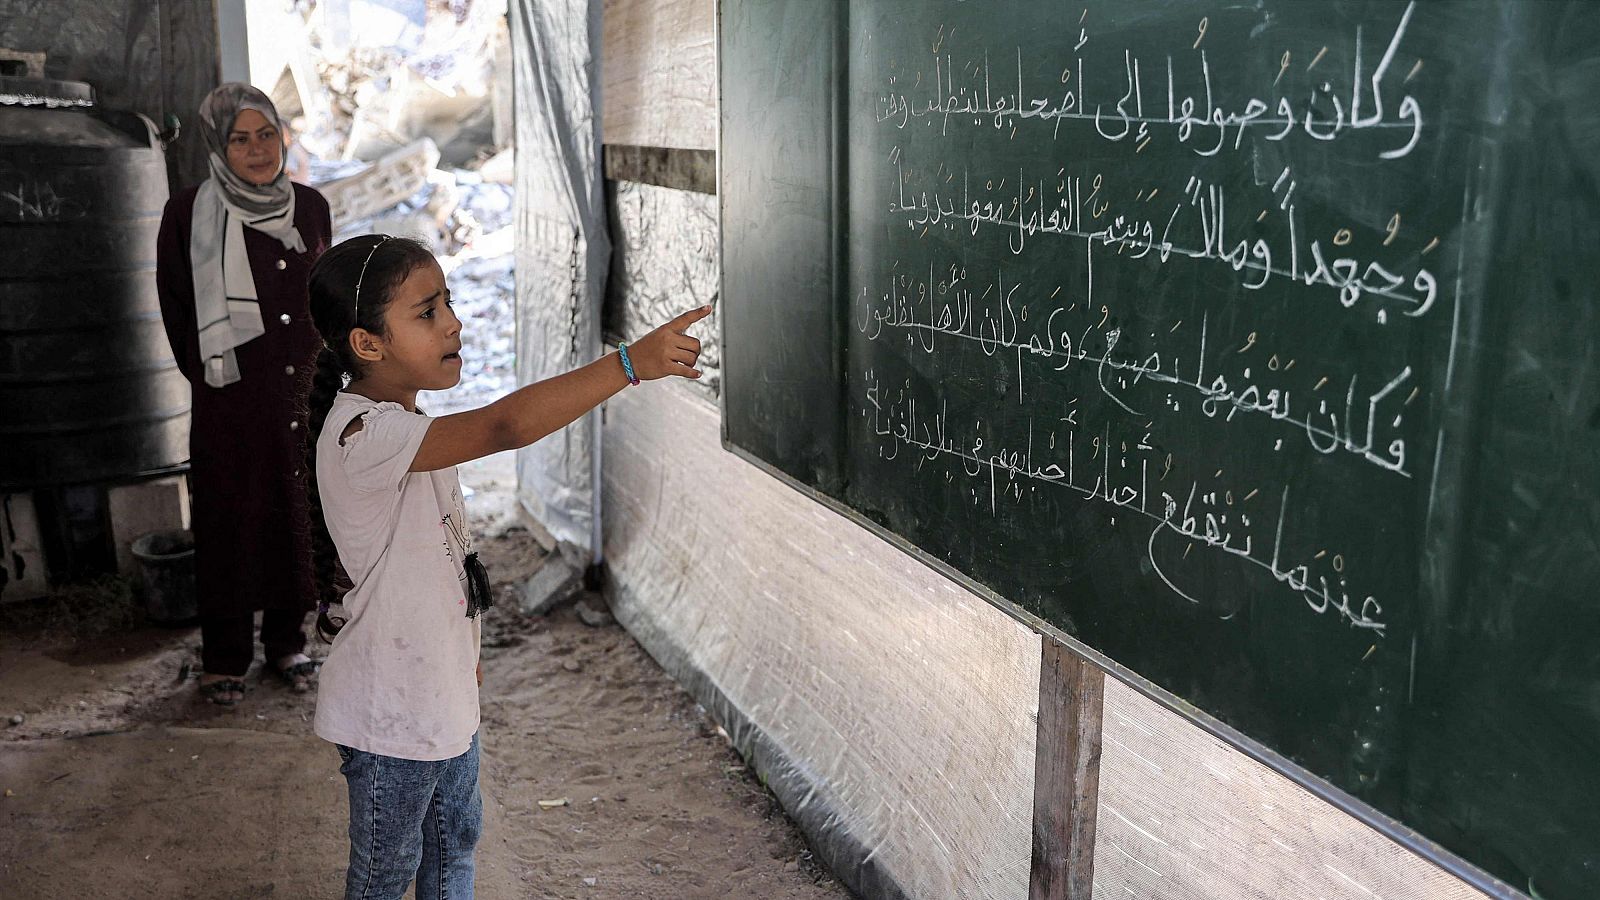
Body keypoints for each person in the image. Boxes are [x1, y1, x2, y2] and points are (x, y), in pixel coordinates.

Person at [302, 233, 709, 897]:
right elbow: (503, 428)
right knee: (385, 877)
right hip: (391, 717)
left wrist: (465, 653)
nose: (454, 324)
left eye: (449, 304)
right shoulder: (363, 435)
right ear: (368, 345)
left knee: (454, 851)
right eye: (428, 313)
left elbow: (445, 555)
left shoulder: (404, 424)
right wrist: (629, 364)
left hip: (441, 695)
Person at [156, 84, 334, 705]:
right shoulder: (187, 214)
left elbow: (326, 301)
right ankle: (225, 659)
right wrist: (214, 384)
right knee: (230, 518)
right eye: (241, 137)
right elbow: (177, 311)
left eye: (267, 134)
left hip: (300, 396)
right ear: (218, 144)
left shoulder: (310, 207)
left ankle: (288, 643)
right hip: (230, 400)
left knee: (297, 517)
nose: (258, 150)